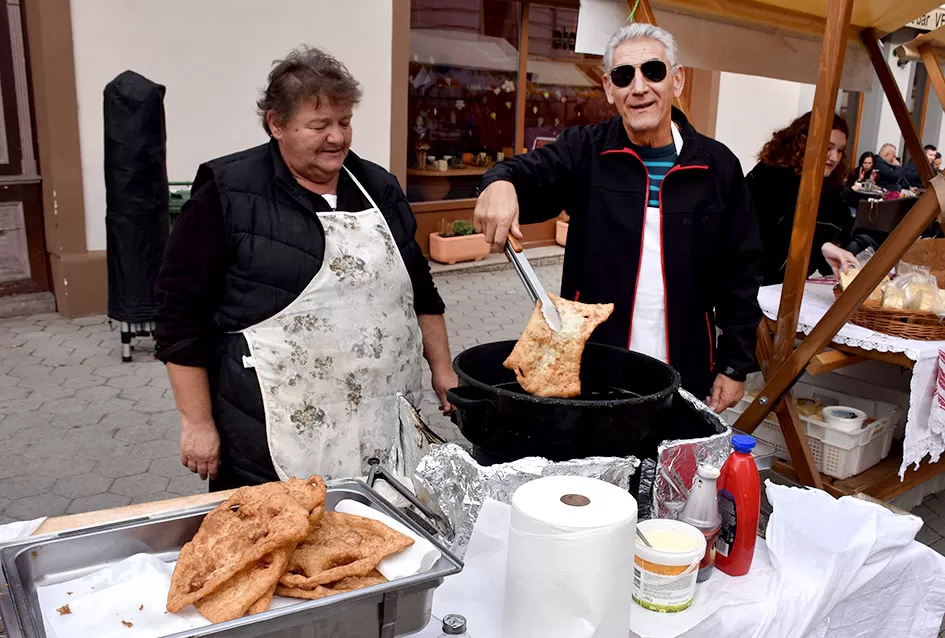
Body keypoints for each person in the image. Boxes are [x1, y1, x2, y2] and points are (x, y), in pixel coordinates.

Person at [155, 47, 458, 489]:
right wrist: (196, 424)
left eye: (344, 122)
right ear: (276, 124)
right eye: (319, 125)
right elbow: (179, 315)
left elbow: (420, 289)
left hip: (382, 423)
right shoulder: (228, 193)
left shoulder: (378, 187)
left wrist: (443, 371)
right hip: (274, 434)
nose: (337, 138)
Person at [474, 24, 762, 413]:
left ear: (677, 80)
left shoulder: (717, 166)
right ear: (610, 89)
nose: (639, 87)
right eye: (625, 76)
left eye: (653, 71)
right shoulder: (585, 152)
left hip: (687, 364)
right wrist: (497, 183)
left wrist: (734, 365)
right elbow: (522, 174)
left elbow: (740, 274)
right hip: (596, 362)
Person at [747, 112, 877, 286]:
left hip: (784, 285)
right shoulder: (770, 175)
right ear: (804, 142)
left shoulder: (827, 185)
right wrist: (823, 246)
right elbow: (772, 231)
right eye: (828, 148)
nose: (834, 157)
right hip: (753, 282)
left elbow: (840, 226)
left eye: (839, 150)